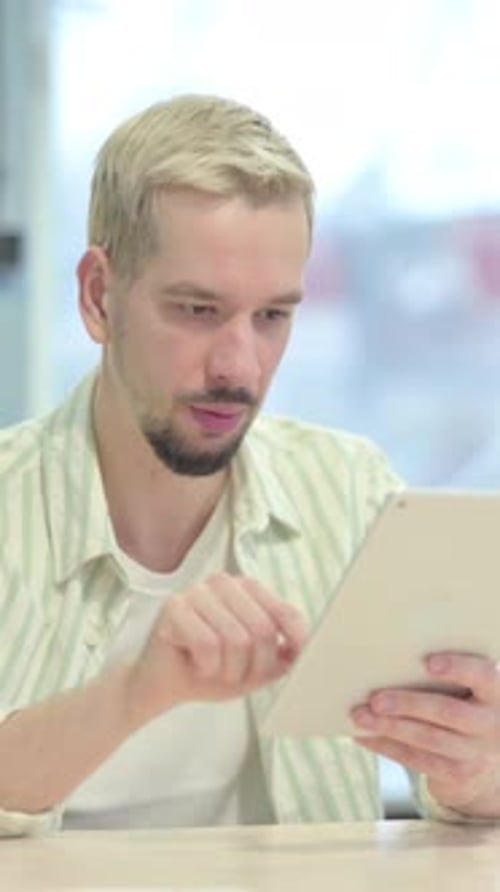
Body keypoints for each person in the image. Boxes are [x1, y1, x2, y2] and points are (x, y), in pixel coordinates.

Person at [0, 95, 499, 838]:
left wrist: (477, 773)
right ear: (100, 296)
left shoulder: (354, 494)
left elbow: (471, 802)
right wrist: (139, 691)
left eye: (272, 316)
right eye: (197, 311)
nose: (240, 366)